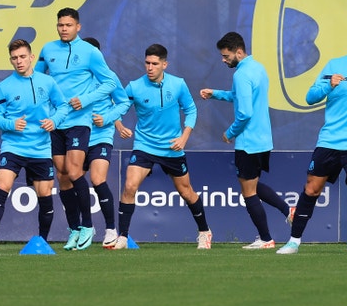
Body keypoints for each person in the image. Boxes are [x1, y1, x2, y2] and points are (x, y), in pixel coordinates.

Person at [277, 20, 347, 254]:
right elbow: (310, 97)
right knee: (311, 189)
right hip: (330, 141)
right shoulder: (335, 65)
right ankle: (293, 241)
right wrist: (328, 85)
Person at [110, 44, 212, 250]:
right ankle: (123, 237)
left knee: (186, 192)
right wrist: (119, 125)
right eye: (147, 63)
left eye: (155, 64)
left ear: (164, 64)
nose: (150, 67)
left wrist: (184, 137)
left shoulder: (178, 84)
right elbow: (117, 108)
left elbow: (191, 110)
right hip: (144, 146)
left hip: (172, 148)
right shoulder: (134, 86)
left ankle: (204, 232)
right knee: (129, 186)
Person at [199, 32, 293, 250]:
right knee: (253, 184)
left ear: (238, 52)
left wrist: (230, 133)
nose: (223, 60)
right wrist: (216, 94)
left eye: (226, 56)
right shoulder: (258, 68)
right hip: (263, 140)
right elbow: (239, 96)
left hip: (248, 142)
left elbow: (244, 112)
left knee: (248, 191)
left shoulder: (241, 75)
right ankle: (288, 211)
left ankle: (266, 238)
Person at [35, 7, 120, 250]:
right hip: (56, 121)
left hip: (79, 121)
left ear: (78, 27)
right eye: (61, 25)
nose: (64, 29)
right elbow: (39, 79)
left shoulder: (91, 52)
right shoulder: (48, 49)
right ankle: (73, 229)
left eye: (69, 25)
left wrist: (86, 99)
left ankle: (88, 225)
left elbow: (110, 82)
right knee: (62, 175)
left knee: (74, 172)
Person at [0, 39, 69, 252]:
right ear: (11, 61)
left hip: (40, 148)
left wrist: (54, 121)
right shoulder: (5, 86)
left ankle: (42, 241)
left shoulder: (47, 82)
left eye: (22, 57)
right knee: (2, 186)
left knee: (45, 194)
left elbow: (63, 107)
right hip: (13, 146)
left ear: (31, 57)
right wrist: (11, 124)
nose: (19, 61)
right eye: (14, 58)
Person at [82, 37, 132, 249]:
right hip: (76, 136)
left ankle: (110, 229)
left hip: (100, 136)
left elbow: (122, 102)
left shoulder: (109, 77)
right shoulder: (73, 80)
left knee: (97, 179)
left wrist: (112, 122)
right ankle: (82, 228)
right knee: (69, 179)